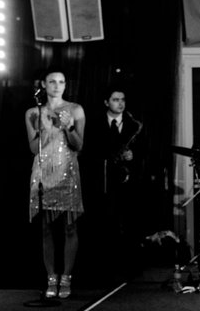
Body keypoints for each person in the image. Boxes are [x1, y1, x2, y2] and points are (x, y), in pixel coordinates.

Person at [25, 69, 86, 299]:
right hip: (43, 172)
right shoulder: (33, 112)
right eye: (52, 81)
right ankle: (51, 277)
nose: (57, 85)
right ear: (44, 84)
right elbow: (33, 149)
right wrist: (41, 127)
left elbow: (79, 145)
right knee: (46, 227)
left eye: (61, 81)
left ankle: (66, 277)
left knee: (70, 227)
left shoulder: (75, 109)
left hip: (67, 171)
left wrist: (68, 127)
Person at [92, 85, 145, 278]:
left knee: (129, 224)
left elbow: (146, 152)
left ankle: (129, 268)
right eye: (115, 100)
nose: (120, 103)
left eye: (122, 99)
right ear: (106, 102)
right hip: (104, 181)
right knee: (106, 223)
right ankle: (107, 268)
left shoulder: (134, 125)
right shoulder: (96, 123)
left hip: (128, 183)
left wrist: (134, 155)